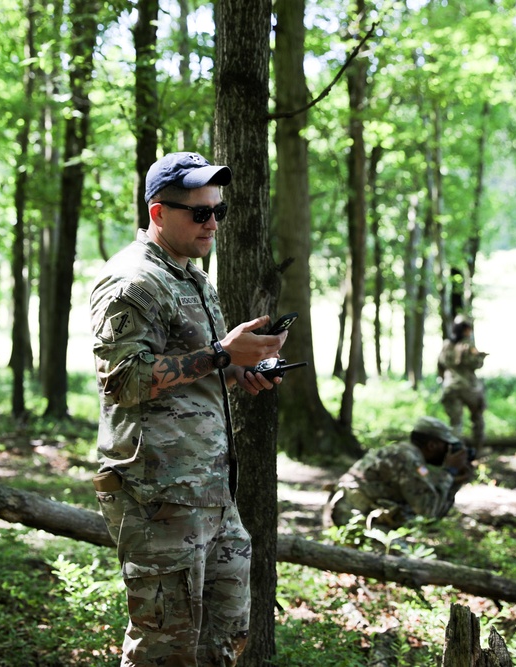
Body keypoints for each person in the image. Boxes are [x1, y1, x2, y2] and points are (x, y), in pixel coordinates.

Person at [89, 151, 288, 666]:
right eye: (199, 213)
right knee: (164, 647)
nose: (212, 223)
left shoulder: (192, 276)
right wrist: (223, 353)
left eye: (217, 211)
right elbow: (124, 379)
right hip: (158, 496)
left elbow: (187, 366)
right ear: (159, 214)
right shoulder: (132, 282)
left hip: (211, 492)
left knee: (220, 641)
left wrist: (240, 368)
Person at [323, 416, 472, 530]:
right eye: (446, 446)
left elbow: (432, 505)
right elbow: (427, 510)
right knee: (402, 563)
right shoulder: (407, 459)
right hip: (348, 515)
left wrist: (454, 480)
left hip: (350, 511)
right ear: (432, 445)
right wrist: (449, 471)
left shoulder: (408, 455)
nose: (448, 452)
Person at [437, 315, 488, 450]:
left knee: (455, 424)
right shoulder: (468, 345)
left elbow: (440, 365)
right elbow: (476, 364)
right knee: (477, 419)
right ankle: (477, 449)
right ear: (465, 330)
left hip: (450, 387)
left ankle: (456, 451)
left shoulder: (446, 345)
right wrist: (480, 356)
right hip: (468, 388)